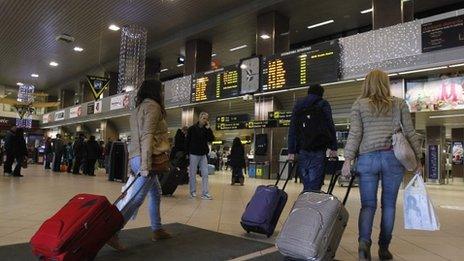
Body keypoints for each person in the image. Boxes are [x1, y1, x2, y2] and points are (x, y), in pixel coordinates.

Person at [341, 69, 422, 261]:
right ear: (386, 84)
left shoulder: (359, 105)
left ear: (366, 83)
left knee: (367, 205)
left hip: (367, 160)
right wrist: (418, 160)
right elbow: (410, 133)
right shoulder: (399, 104)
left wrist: (347, 160)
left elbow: (355, 134)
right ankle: (384, 248)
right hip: (392, 158)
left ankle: (363, 244)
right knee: (389, 206)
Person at [107, 79, 172, 251]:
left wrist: (132, 165)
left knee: (156, 192)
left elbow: (134, 139)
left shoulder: (136, 109)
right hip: (146, 159)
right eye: (161, 90)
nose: (163, 94)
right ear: (155, 91)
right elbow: (147, 136)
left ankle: (157, 229)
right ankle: (112, 232)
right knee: (136, 198)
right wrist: (145, 166)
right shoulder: (153, 107)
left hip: (136, 156)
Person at [287, 84, 338, 192]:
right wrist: (333, 147)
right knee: (315, 182)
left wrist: (291, 150)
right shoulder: (323, 104)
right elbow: (330, 125)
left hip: (303, 149)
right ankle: (311, 203)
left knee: (306, 182)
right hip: (319, 148)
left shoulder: (299, 105)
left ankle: (306, 201)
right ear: (321, 93)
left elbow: (292, 129)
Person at [185, 112, 215, 200]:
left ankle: (205, 193)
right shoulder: (192, 129)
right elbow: (187, 141)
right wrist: (187, 153)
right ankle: (192, 192)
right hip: (193, 153)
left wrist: (209, 129)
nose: (205, 120)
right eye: (204, 118)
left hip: (203, 154)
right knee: (193, 173)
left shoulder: (206, 129)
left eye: (206, 119)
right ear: (199, 118)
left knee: (205, 173)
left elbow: (211, 139)